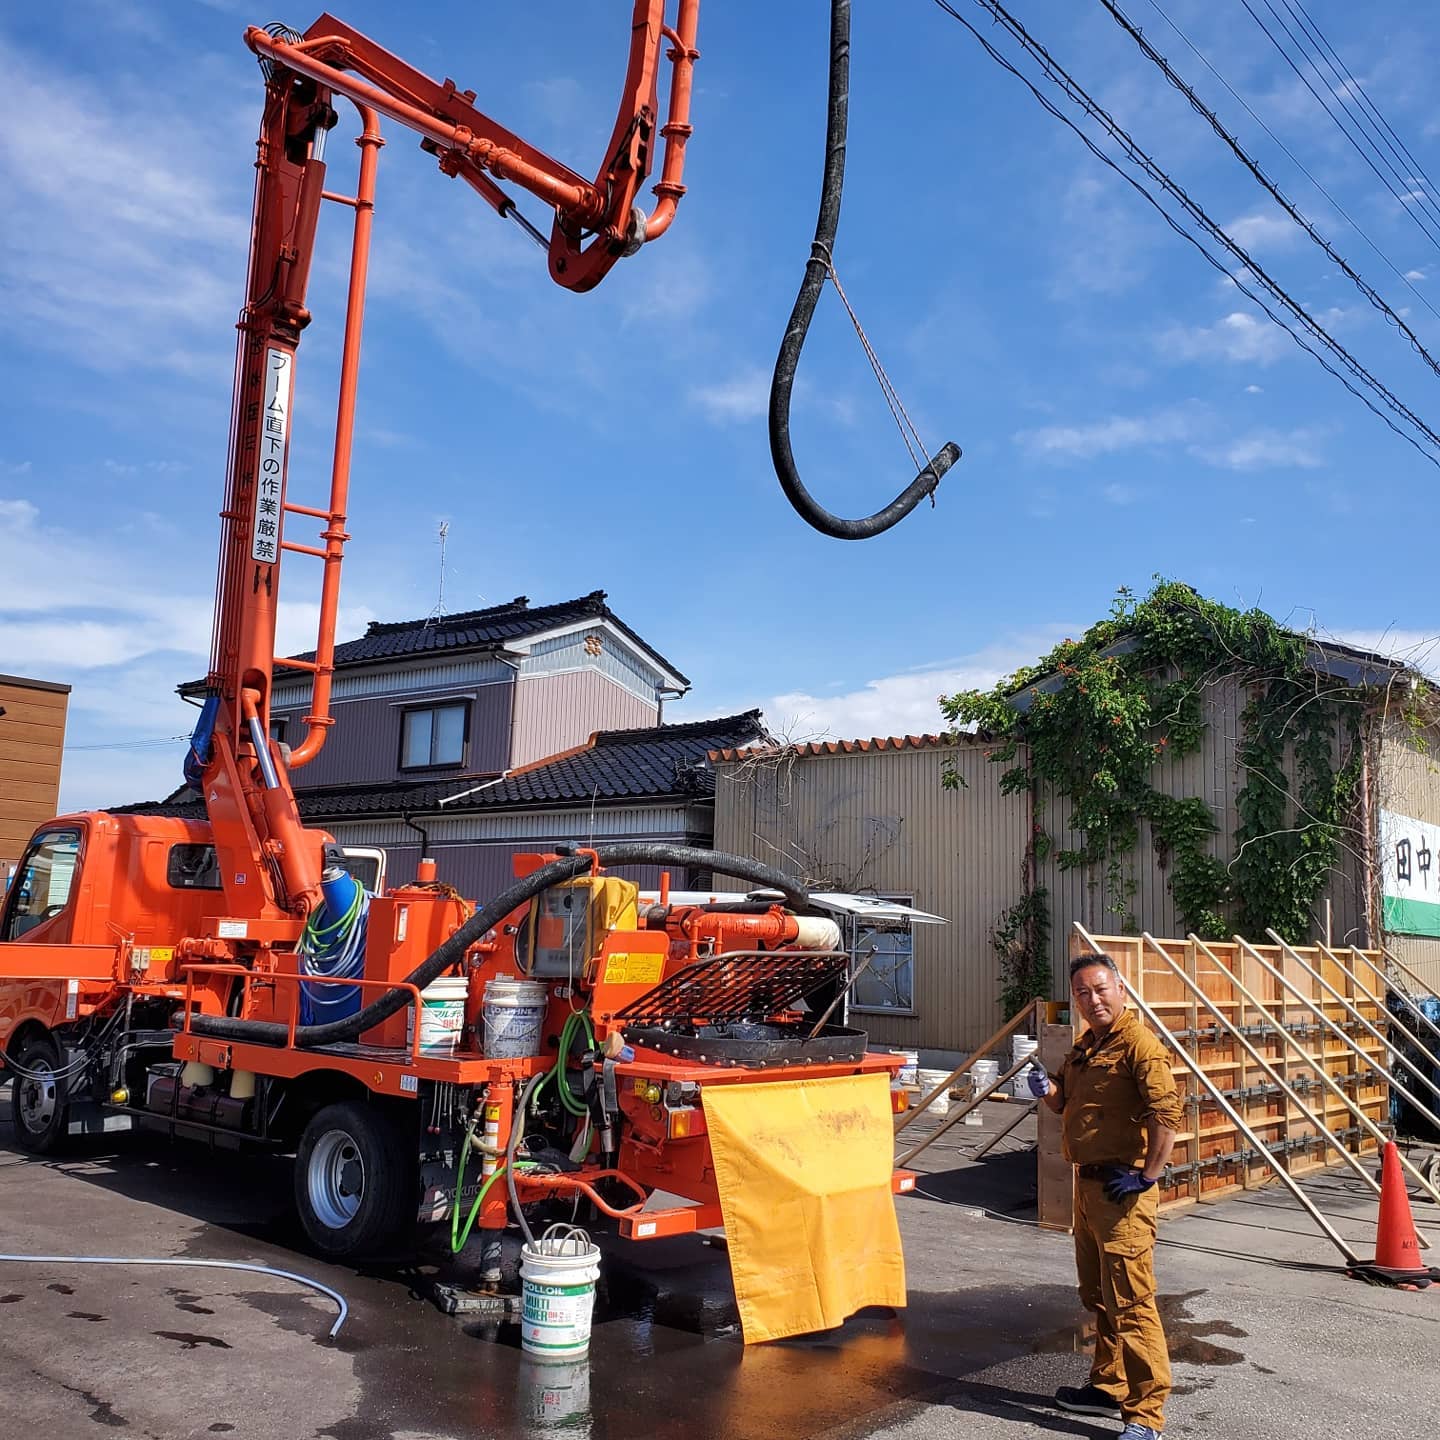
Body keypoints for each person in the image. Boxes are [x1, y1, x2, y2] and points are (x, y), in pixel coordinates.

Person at [1026, 951, 1182, 1440]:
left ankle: (1146, 1416)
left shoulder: (1140, 1046)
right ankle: (1109, 1385)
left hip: (1123, 1193)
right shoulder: (1086, 1046)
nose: (1092, 1000)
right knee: (1099, 1296)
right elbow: (1065, 1102)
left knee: (1132, 1302)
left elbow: (1166, 1113)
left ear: (1121, 988)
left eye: (1100, 989)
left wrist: (1148, 1176)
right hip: (1087, 1187)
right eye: (1082, 993)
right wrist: (1046, 1088)